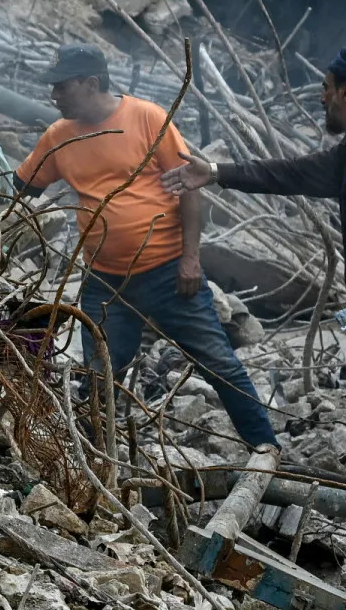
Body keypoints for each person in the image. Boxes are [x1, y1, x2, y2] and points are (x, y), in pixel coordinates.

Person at [162, 42, 346, 507]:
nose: (320, 98)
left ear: (345, 90)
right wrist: (216, 172)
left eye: (325, 89)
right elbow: (291, 174)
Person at [15, 44, 278, 451]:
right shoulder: (58, 136)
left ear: (91, 84)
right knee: (99, 373)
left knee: (219, 363)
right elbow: (23, 186)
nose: (54, 96)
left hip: (169, 273)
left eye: (61, 88)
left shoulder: (147, 118)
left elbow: (191, 187)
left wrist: (191, 258)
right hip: (106, 282)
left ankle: (266, 448)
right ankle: (96, 460)